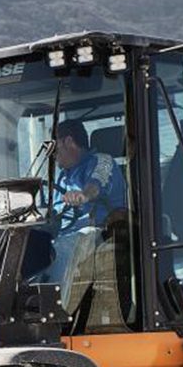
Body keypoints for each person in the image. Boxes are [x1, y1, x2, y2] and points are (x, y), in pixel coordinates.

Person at [43, 119, 125, 285]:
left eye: (53, 146)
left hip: (102, 235)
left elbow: (96, 184)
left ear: (68, 142)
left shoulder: (102, 161)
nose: (50, 152)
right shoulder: (61, 176)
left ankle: (54, 302)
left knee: (61, 249)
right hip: (65, 236)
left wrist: (83, 195)